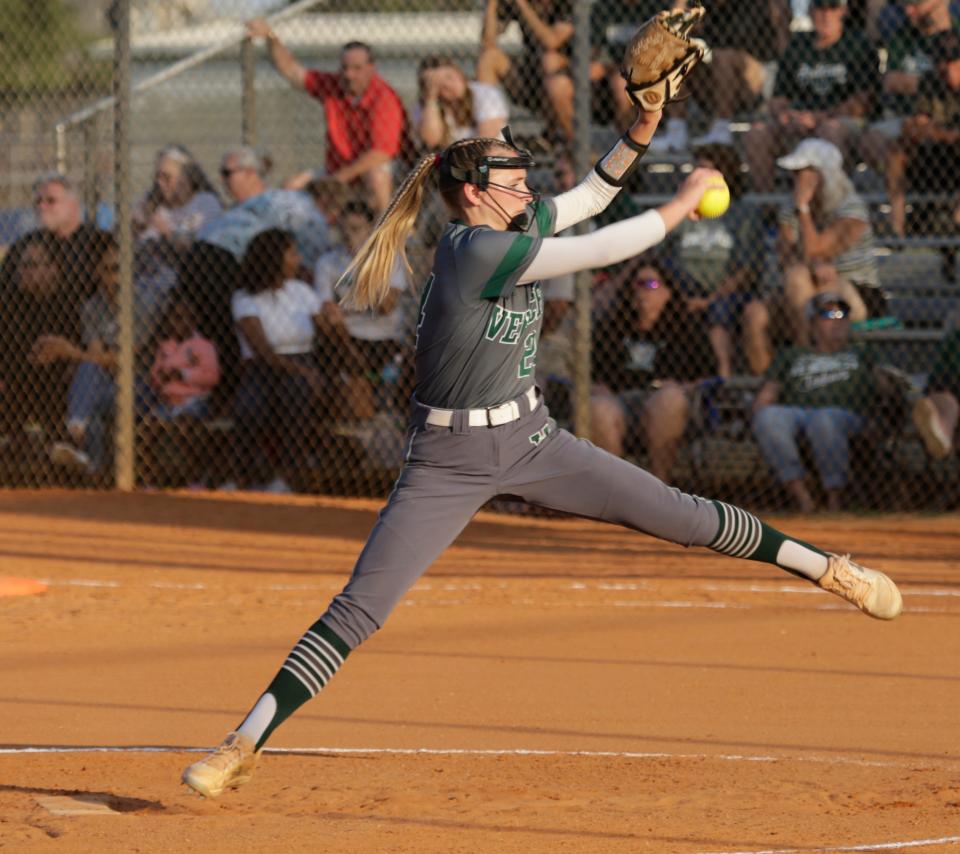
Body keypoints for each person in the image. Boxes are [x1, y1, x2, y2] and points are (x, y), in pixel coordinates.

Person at [181, 110, 902, 800]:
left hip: (533, 439)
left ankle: (830, 569)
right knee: (359, 608)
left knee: (678, 515)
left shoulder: (515, 223)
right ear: (472, 192)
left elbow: (591, 195)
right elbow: (600, 247)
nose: (527, 187)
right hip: (448, 457)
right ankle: (240, 744)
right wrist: (682, 204)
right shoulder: (473, 250)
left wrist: (642, 131)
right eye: (512, 176)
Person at [742, 138, 883, 375]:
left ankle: (804, 364)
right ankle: (771, 384)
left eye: (803, 173)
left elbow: (814, 250)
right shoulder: (790, 207)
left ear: (823, 174)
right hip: (801, 291)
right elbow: (786, 258)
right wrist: (813, 261)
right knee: (755, 313)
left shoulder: (851, 207)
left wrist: (804, 210)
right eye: (795, 174)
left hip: (854, 290)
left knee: (798, 276)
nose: (796, 180)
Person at [246, 21, 408, 214]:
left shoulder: (383, 98)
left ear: (371, 68)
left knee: (376, 175)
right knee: (291, 187)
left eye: (356, 68)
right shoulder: (334, 85)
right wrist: (270, 37)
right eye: (345, 68)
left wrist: (339, 178)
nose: (349, 75)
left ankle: (388, 235)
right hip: (338, 169)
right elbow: (291, 71)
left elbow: (380, 154)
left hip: (371, 171)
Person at [751, 292, 887, 512]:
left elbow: (887, 387)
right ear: (812, 324)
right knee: (768, 417)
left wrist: (887, 384)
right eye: (827, 314)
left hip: (846, 415)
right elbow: (767, 394)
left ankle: (834, 499)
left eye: (841, 314)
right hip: (797, 413)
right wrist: (759, 414)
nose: (836, 320)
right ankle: (803, 496)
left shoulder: (864, 353)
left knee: (824, 418)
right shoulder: (792, 355)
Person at [34, 233, 157, 475]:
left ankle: (77, 440)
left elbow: (126, 362)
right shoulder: (92, 307)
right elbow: (96, 359)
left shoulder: (142, 305)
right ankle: (91, 464)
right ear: (97, 274)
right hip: (105, 386)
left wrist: (69, 352)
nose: (118, 278)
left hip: (141, 387)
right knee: (91, 382)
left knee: (89, 384)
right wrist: (88, 357)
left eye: (121, 269)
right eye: (110, 270)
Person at [590, 255, 718, 481]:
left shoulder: (686, 328)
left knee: (669, 400)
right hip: (621, 403)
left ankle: (658, 488)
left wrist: (682, 388)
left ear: (667, 292)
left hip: (667, 407)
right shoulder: (611, 326)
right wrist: (599, 388)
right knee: (599, 407)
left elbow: (709, 375)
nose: (642, 291)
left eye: (650, 284)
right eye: (637, 284)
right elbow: (593, 374)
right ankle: (615, 489)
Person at [228, 229, 328, 493]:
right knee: (251, 406)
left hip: (302, 359)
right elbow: (263, 351)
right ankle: (243, 476)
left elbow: (326, 331)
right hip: (262, 366)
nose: (298, 259)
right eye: (292, 253)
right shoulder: (245, 297)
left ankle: (286, 477)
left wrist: (333, 323)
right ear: (274, 258)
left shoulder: (302, 291)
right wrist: (305, 373)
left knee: (293, 395)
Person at [744, 0, 880, 192]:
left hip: (842, 121)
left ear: (844, 10)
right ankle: (769, 208)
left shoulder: (858, 44)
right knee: (757, 133)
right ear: (810, 11)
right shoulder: (798, 46)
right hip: (799, 119)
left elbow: (862, 103)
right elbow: (778, 98)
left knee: (830, 131)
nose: (826, 15)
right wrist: (787, 116)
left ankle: (830, 204)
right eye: (820, 8)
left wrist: (817, 118)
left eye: (832, 8)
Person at [666, 143, 765, 377]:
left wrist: (709, 300)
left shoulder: (743, 214)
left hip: (727, 294)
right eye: (695, 170)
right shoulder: (683, 211)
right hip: (685, 291)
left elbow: (746, 271)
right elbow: (661, 256)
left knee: (719, 311)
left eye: (704, 171)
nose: (696, 176)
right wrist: (682, 295)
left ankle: (724, 377)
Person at [313, 200, 410, 419]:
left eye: (356, 229)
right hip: (346, 337)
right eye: (344, 229)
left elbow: (387, 305)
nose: (348, 236)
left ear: (371, 229)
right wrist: (358, 307)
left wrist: (365, 263)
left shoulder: (389, 259)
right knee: (334, 338)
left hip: (384, 338)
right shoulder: (328, 262)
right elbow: (328, 310)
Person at [858, 0, 959, 204]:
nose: (908, 10)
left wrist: (918, 82)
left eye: (916, 5)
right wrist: (938, 82)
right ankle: (902, 194)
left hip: (950, 117)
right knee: (873, 140)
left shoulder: (957, 31)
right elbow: (891, 81)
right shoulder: (903, 34)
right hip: (904, 117)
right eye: (907, 5)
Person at [0, 233, 82, 455]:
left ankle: (62, 446)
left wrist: (69, 356)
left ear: (54, 269)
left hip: (60, 386)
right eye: (21, 265)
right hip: (15, 385)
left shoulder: (72, 304)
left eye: (31, 265)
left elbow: (85, 352)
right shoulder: (9, 303)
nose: (21, 271)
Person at [885, 28, 960, 236]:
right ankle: (896, 227)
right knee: (897, 148)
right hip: (934, 159)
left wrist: (936, 131)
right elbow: (921, 123)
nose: (946, 67)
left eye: (953, 60)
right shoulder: (931, 81)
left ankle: (957, 221)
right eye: (941, 61)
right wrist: (916, 127)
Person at [139, 297, 220, 487]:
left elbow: (212, 375)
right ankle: (152, 479)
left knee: (187, 425)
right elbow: (155, 375)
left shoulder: (203, 345)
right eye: (175, 318)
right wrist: (161, 378)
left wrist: (183, 374)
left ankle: (195, 479)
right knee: (149, 426)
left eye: (185, 318)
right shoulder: (165, 347)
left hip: (195, 400)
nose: (179, 322)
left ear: (194, 321)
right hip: (169, 401)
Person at [688, 0, 791, 148]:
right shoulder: (707, 7)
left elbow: (782, 46)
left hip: (759, 74)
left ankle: (721, 128)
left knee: (725, 57)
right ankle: (676, 129)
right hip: (717, 79)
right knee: (681, 54)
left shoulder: (760, 5)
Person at [477, 0, 575, 141]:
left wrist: (522, 4)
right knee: (489, 57)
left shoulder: (565, 5)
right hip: (531, 79)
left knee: (549, 60)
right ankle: (489, 140)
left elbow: (551, 41)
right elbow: (487, 41)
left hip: (567, 80)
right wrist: (492, 4)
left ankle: (565, 140)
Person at [0, 172, 103, 299]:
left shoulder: (97, 242)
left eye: (51, 201)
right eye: (38, 201)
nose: (42, 206)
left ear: (73, 205)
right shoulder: (24, 244)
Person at [133, 144, 222, 254]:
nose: (159, 183)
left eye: (166, 177)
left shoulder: (205, 203)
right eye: (157, 176)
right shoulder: (149, 200)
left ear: (186, 178)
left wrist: (166, 231)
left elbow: (196, 248)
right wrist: (137, 225)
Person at [414, 56, 510, 151]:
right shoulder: (426, 106)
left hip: (487, 158)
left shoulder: (485, 92)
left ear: (458, 73)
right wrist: (431, 99)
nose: (448, 85)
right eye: (438, 84)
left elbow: (486, 139)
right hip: (451, 162)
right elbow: (431, 141)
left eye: (449, 77)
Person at [912, 324, 960, 458]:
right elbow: (938, 374)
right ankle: (939, 431)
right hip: (951, 388)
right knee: (946, 399)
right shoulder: (955, 339)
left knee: (948, 401)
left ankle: (942, 433)